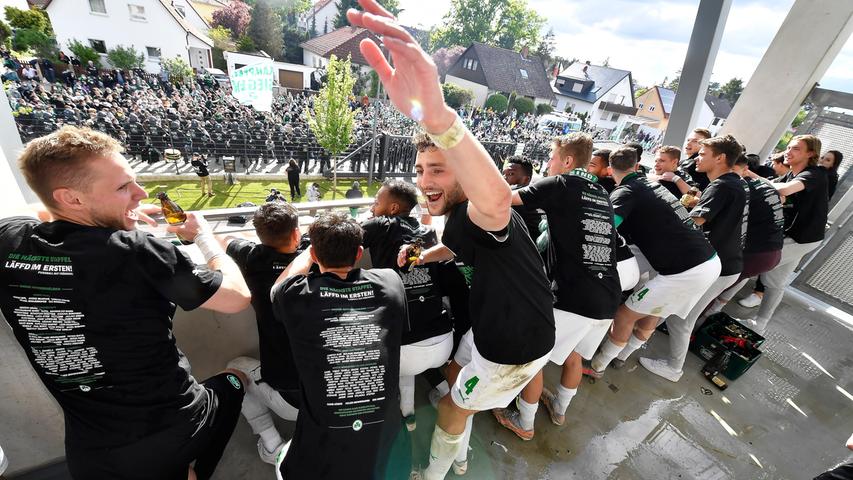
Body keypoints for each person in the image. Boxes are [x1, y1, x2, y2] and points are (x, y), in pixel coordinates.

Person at [348, 5, 555, 477]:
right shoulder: (458, 219)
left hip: (513, 345)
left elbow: (498, 202)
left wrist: (440, 117)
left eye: (438, 168)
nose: (425, 180)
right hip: (493, 331)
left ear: (461, 171)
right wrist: (425, 252)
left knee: (451, 412)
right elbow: (460, 248)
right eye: (420, 170)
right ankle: (464, 397)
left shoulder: (481, 209)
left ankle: (440, 469)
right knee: (457, 373)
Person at [0, 126, 251, 480]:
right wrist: (203, 237)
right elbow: (237, 298)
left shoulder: (8, 241)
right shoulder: (139, 252)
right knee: (236, 379)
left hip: (92, 449)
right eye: (123, 187)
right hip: (175, 427)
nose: (141, 192)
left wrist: (114, 207)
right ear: (71, 198)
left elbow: (38, 213)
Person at [494, 132, 620, 438]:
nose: (547, 164)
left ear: (566, 160)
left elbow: (501, 199)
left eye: (551, 157)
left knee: (532, 359)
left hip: (575, 296)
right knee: (572, 353)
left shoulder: (560, 183)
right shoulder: (599, 191)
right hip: (608, 296)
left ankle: (524, 423)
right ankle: (560, 409)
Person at [271, 212, 409, 479]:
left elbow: (278, 288)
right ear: (359, 253)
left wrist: (309, 255)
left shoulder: (296, 296)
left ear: (313, 254)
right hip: (386, 442)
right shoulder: (391, 282)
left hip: (322, 443)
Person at [589, 146, 720, 379]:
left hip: (687, 270)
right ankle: (621, 356)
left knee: (625, 315)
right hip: (708, 261)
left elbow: (604, 229)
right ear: (637, 167)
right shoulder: (652, 185)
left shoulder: (625, 192)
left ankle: (599, 364)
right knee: (653, 311)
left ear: (609, 170)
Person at [640, 135, 748, 381]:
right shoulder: (733, 183)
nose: (697, 158)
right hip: (723, 263)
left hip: (718, 266)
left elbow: (693, 223)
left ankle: (674, 369)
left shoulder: (722, 186)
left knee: (681, 318)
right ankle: (636, 337)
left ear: (719, 158)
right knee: (668, 308)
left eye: (702, 154)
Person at [361, 179, 453, 432]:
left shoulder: (380, 225)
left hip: (407, 351)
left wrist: (368, 217)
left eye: (376, 202)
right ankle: (445, 396)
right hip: (444, 342)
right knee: (415, 352)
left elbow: (344, 237)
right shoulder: (428, 232)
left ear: (392, 208)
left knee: (403, 363)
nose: (372, 206)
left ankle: (407, 415)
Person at [220, 202, 304, 464]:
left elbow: (223, 240)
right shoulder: (319, 258)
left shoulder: (253, 257)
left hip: (291, 402)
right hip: (329, 394)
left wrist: (253, 242)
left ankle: (271, 444)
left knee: (234, 368)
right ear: (296, 234)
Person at [747, 135, 828, 333]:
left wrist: (750, 175)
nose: (788, 152)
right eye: (789, 147)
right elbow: (772, 183)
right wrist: (749, 174)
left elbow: (784, 190)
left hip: (802, 238)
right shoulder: (792, 173)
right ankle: (760, 325)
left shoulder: (815, 174)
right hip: (796, 236)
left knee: (749, 265)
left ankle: (715, 307)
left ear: (811, 154)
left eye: (796, 149)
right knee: (773, 282)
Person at [703, 153, 784, 318]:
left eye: (731, 169)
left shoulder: (739, 188)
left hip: (757, 252)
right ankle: (710, 314)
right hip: (772, 252)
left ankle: (698, 320)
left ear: (745, 170)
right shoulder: (761, 186)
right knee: (729, 283)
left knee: (715, 287)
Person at [502, 155, 544, 241]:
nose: (503, 178)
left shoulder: (514, 200)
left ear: (526, 180)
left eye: (511, 174)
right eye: (503, 174)